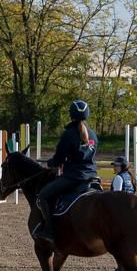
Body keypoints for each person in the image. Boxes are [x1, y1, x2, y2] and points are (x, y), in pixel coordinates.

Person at [33, 100, 99, 245]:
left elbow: (59, 159)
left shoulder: (69, 134)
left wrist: (51, 163)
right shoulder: (93, 135)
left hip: (74, 177)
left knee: (43, 196)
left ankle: (49, 231)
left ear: (71, 115)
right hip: (92, 176)